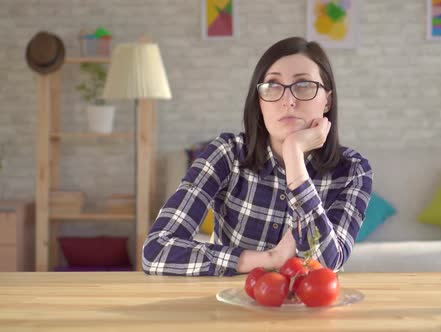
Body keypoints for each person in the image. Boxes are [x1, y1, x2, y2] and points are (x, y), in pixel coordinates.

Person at [142, 37, 373, 276]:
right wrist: (269, 259)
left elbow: (326, 265)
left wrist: (294, 155)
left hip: (310, 308)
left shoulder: (354, 170)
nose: (288, 101)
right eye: (273, 86)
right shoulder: (227, 154)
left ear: (328, 100)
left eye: (303, 84)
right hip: (230, 305)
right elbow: (156, 252)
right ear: (259, 102)